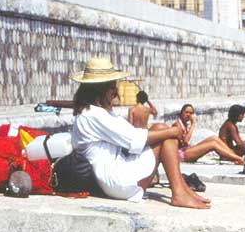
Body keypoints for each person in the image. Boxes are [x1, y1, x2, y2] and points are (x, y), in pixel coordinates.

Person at [68, 56, 208, 209]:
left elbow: (130, 133)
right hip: (114, 180)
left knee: (161, 128)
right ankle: (179, 192)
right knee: (167, 136)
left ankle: (183, 188)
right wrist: (174, 131)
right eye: (112, 88)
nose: (116, 92)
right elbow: (133, 139)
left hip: (113, 173)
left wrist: (168, 131)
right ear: (100, 90)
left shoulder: (95, 112)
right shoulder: (93, 115)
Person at [173, 104, 243, 164]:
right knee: (213, 145)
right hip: (182, 154)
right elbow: (185, 141)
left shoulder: (184, 124)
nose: (189, 115)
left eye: (191, 113)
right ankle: (239, 159)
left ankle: (232, 156)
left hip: (187, 150)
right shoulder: (178, 125)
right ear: (182, 113)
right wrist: (193, 125)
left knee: (214, 138)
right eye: (186, 112)